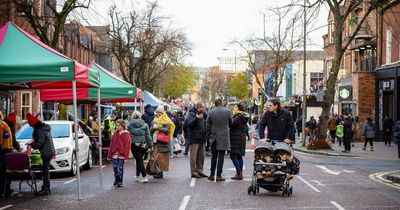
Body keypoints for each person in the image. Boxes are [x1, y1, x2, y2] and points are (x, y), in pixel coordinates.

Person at [25, 113, 55, 196]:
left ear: (34, 124)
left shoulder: (41, 130)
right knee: (45, 170)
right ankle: (46, 187)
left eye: (32, 125)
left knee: (45, 171)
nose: (32, 127)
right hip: (48, 151)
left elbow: (40, 143)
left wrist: (31, 144)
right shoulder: (43, 128)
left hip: (46, 152)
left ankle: (46, 188)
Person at [206, 98, 232, 182]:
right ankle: (218, 175)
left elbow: (208, 125)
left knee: (214, 156)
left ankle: (211, 174)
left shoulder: (211, 112)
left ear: (215, 104)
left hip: (214, 137)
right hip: (224, 136)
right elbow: (231, 123)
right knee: (221, 156)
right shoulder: (227, 111)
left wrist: (209, 134)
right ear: (221, 103)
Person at [184, 102, 208, 178]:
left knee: (201, 157)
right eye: (203, 108)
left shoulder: (203, 114)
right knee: (193, 157)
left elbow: (207, 118)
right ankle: (194, 172)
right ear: (199, 107)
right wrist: (196, 118)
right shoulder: (191, 114)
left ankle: (200, 171)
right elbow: (188, 124)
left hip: (202, 138)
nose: (204, 109)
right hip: (194, 139)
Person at [128, 111, 153, 183]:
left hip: (134, 145)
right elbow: (148, 136)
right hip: (143, 145)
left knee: (139, 160)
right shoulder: (145, 125)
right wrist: (150, 145)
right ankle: (137, 176)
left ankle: (144, 176)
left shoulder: (129, 125)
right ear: (140, 116)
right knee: (139, 160)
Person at [151, 105, 175, 179]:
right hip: (155, 141)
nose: (157, 114)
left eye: (159, 112)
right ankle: (157, 172)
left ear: (162, 113)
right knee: (156, 158)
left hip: (162, 142)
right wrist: (152, 128)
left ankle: (160, 173)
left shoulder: (166, 119)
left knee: (161, 158)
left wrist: (158, 127)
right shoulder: (154, 119)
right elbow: (150, 130)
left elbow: (167, 130)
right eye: (157, 112)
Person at [107, 119, 131, 187]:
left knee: (120, 167)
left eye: (118, 125)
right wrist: (109, 154)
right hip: (115, 152)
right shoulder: (115, 133)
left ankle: (120, 180)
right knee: (115, 167)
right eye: (116, 125)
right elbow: (112, 144)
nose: (116, 127)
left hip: (122, 153)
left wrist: (126, 156)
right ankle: (116, 178)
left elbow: (127, 146)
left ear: (122, 126)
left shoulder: (126, 134)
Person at [229, 103, 250, 180]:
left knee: (233, 156)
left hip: (236, 139)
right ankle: (240, 173)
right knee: (239, 156)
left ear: (238, 109)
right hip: (241, 138)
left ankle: (239, 173)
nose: (233, 109)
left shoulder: (237, 118)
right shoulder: (243, 117)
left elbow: (230, 124)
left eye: (235, 108)